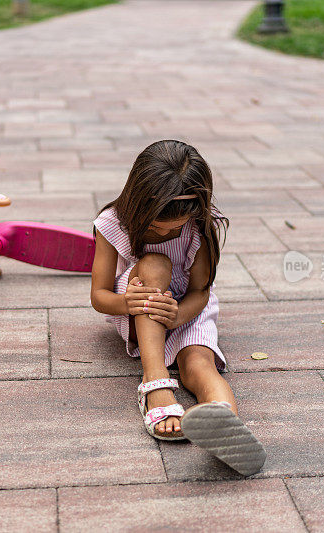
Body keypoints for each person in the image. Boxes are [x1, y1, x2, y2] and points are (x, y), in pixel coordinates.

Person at [90, 139, 266, 475]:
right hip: (139, 306)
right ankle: (155, 381)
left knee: (199, 364)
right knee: (154, 263)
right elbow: (99, 296)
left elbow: (201, 290)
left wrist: (181, 315)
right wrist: (127, 302)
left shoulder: (199, 224)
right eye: (158, 226)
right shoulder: (112, 223)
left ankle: (224, 422)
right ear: (137, 203)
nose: (169, 232)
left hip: (187, 308)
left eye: (176, 228)